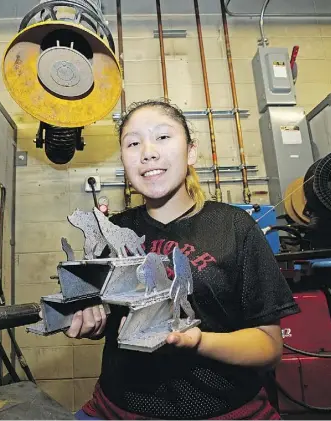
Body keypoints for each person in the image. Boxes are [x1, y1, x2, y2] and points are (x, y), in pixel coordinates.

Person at [66, 99, 300, 420]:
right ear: (124, 159)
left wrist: (198, 341)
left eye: (162, 137)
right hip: (118, 410)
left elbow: (269, 347)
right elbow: (104, 315)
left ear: (191, 152)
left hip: (227, 411)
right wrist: (88, 319)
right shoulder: (115, 231)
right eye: (133, 143)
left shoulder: (234, 227)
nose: (148, 151)